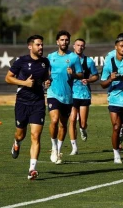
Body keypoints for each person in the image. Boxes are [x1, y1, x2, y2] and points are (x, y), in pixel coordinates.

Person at [6, 35, 50, 180]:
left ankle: (32, 169)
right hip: (22, 103)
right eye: (38, 45)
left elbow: (46, 78)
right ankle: (16, 143)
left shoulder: (45, 62)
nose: (41, 47)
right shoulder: (21, 61)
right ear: (30, 46)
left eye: (42, 45)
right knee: (21, 134)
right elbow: (8, 78)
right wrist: (24, 83)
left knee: (35, 135)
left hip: (38, 103)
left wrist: (48, 82)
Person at [47, 30, 83, 164]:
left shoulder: (74, 58)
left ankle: (59, 150)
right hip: (53, 93)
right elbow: (47, 73)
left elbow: (81, 74)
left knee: (63, 124)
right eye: (62, 40)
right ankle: (54, 148)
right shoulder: (50, 57)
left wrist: (73, 74)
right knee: (54, 120)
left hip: (67, 96)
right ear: (57, 42)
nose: (64, 42)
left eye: (66, 40)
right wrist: (47, 80)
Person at [100, 34, 123, 164]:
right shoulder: (109, 63)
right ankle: (116, 153)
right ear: (116, 47)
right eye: (121, 46)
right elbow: (102, 84)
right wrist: (110, 79)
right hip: (114, 99)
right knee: (116, 127)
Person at [68, 38, 99, 155]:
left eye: (82, 45)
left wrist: (89, 80)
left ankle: (83, 129)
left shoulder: (89, 61)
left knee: (83, 122)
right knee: (72, 120)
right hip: (71, 94)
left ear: (84, 47)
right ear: (74, 46)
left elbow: (96, 76)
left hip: (84, 94)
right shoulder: (69, 59)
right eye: (78, 45)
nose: (80, 47)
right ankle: (74, 147)